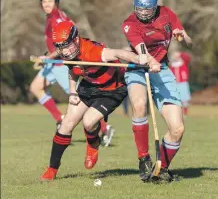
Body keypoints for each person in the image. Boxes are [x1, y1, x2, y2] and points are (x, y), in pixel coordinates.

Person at [40, 20, 144, 181]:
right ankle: (52, 169)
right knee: (66, 124)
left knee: (88, 122)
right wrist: (73, 92)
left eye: (67, 46)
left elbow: (117, 53)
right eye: (60, 47)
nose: (65, 51)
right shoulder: (68, 53)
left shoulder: (93, 51)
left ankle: (93, 145)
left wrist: (140, 59)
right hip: (88, 86)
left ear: (76, 39)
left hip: (112, 90)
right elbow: (73, 70)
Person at [121, 0, 192, 183]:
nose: (143, 13)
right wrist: (150, 61)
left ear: (155, 5)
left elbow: (187, 39)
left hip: (162, 70)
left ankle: (160, 169)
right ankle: (143, 158)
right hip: (138, 67)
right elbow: (142, 51)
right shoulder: (129, 24)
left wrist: (184, 37)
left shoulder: (167, 14)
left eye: (147, 9)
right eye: (139, 8)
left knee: (177, 129)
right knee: (139, 105)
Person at [29, 0, 114, 146]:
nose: (46, 4)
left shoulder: (57, 18)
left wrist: (49, 57)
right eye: (44, 1)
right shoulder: (51, 17)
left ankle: (105, 128)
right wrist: (47, 56)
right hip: (52, 63)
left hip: (61, 64)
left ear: (57, 2)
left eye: (50, 1)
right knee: (35, 87)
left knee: (79, 101)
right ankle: (60, 119)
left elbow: (66, 41)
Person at [169, 51, 192, 116]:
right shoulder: (172, 66)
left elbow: (187, 57)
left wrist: (180, 54)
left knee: (184, 99)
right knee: (176, 99)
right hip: (175, 84)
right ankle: (177, 113)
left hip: (183, 83)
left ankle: (185, 113)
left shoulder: (183, 63)